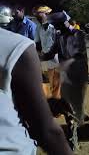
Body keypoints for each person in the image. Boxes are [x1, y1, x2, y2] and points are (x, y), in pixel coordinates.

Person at [0, 27, 73, 155]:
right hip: (13, 149)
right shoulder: (16, 44)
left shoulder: (21, 40)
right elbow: (45, 130)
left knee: (54, 87)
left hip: (48, 63)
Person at [40, 11, 88, 150]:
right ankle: (74, 127)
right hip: (66, 76)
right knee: (68, 105)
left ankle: (74, 137)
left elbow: (79, 56)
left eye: (55, 25)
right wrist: (37, 57)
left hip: (78, 76)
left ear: (63, 23)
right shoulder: (59, 35)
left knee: (71, 105)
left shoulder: (79, 35)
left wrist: (67, 63)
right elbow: (52, 52)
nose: (54, 27)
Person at [33, 5, 61, 99]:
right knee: (47, 81)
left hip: (55, 58)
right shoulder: (38, 27)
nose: (37, 16)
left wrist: (48, 54)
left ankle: (56, 103)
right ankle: (49, 102)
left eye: (39, 13)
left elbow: (58, 43)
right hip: (45, 58)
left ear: (46, 14)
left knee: (56, 82)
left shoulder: (54, 26)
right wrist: (38, 53)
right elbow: (37, 42)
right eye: (36, 14)